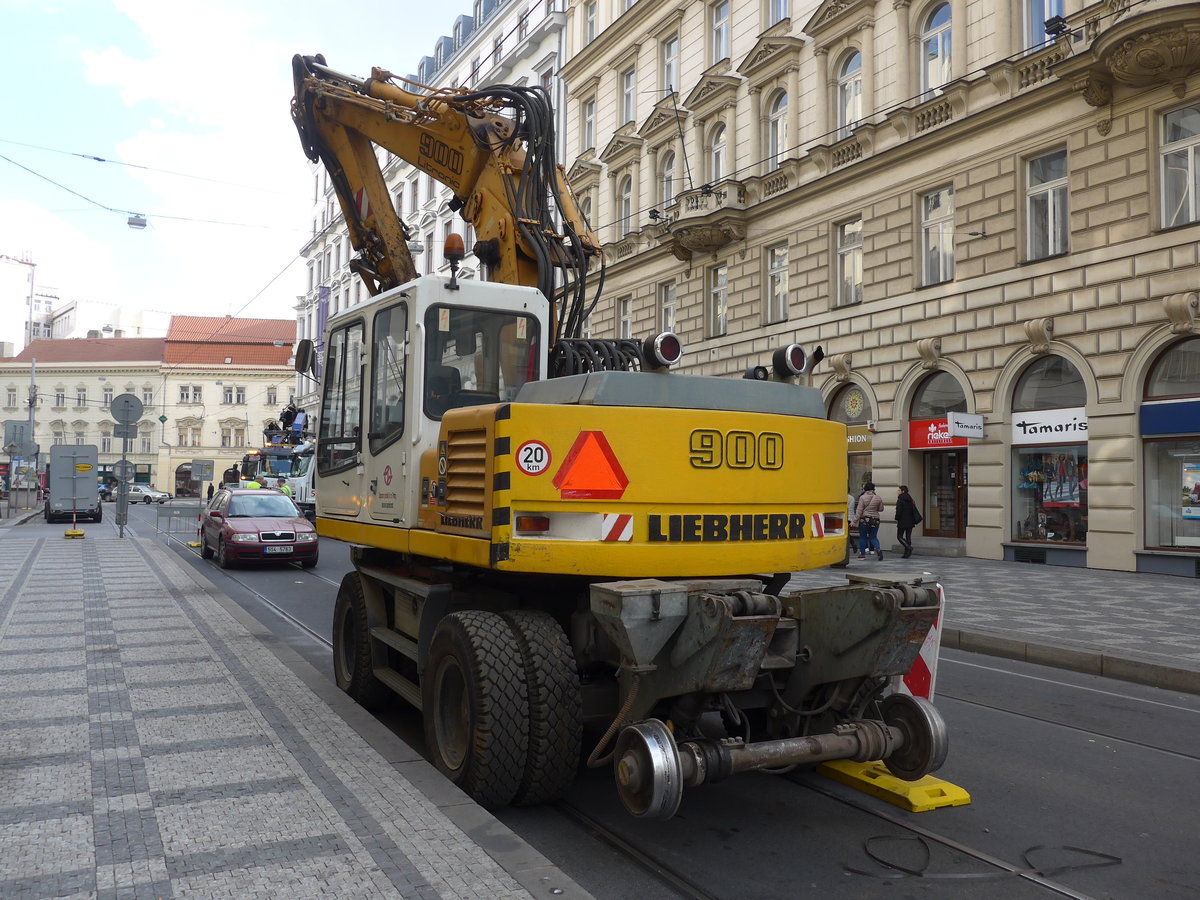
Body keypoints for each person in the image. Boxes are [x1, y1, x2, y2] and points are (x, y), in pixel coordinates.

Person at [855, 482, 885, 560]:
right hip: (875, 519)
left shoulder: (862, 497)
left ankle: (862, 555)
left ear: (865, 489)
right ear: (873, 489)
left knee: (863, 537)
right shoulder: (878, 498)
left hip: (865, 519)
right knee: (873, 537)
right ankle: (878, 549)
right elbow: (881, 509)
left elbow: (859, 510)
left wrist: (854, 520)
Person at [895, 484, 922, 559]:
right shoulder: (910, 499)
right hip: (911, 521)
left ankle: (908, 547)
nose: (898, 491)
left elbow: (899, 511)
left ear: (903, 491)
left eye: (899, 490)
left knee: (899, 536)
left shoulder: (900, 500)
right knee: (908, 537)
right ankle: (907, 553)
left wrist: (897, 518)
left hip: (902, 521)